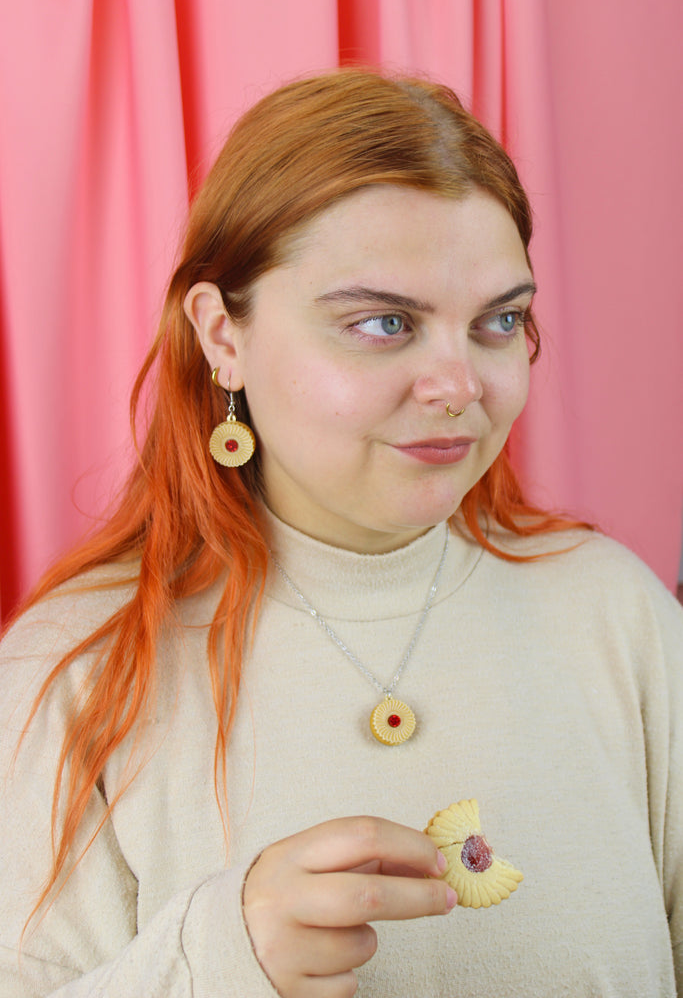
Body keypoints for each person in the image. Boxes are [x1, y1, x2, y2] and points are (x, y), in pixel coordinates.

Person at [1, 68, 681, 998]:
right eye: (383, 323)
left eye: (499, 321)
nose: (460, 385)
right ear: (221, 335)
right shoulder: (73, 670)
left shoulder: (618, 613)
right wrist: (215, 960)